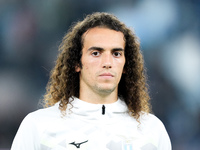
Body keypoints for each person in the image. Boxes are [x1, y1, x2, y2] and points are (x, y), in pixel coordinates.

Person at [11, 12, 171, 150]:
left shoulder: (152, 131)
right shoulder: (38, 127)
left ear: (125, 65)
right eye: (96, 53)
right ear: (76, 63)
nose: (107, 62)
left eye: (116, 54)